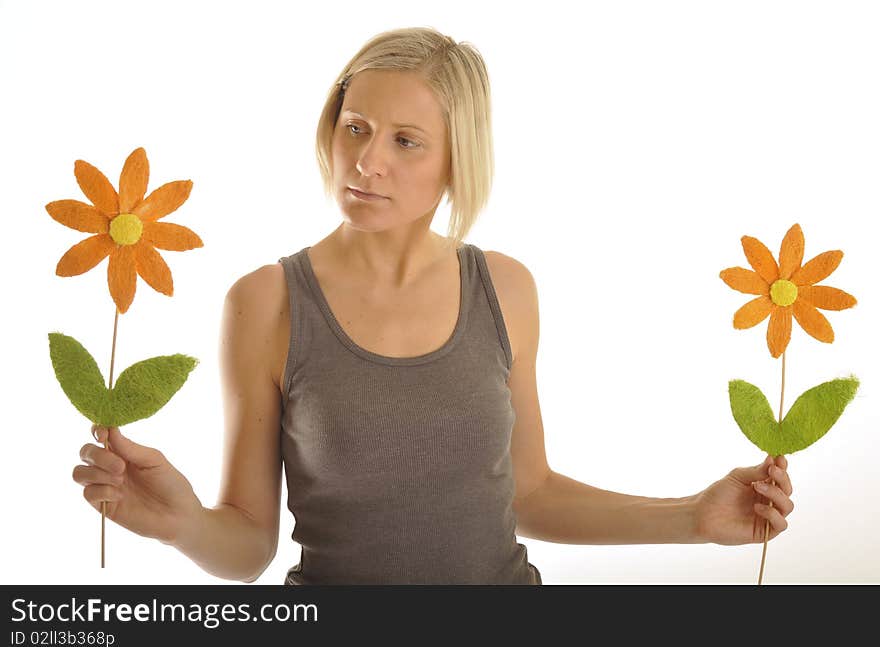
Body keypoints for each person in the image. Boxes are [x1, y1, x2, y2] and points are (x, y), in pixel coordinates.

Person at [73, 26, 794, 585]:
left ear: (457, 159)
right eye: (354, 126)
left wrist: (693, 520)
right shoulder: (264, 302)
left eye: (405, 141)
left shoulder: (505, 289)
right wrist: (181, 523)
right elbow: (247, 543)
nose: (366, 160)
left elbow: (531, 493)